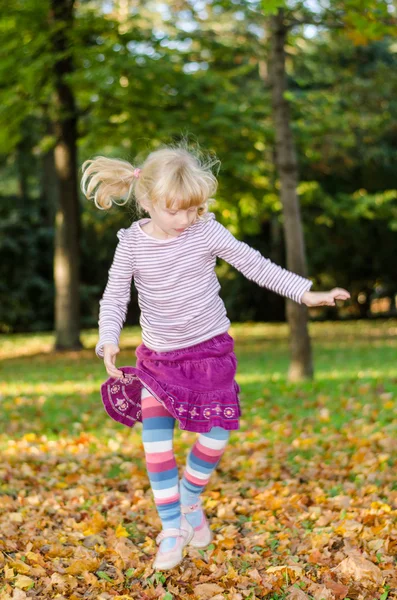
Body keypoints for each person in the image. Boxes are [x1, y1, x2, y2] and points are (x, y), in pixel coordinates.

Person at [81, 142, 350, 571]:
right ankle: (171, 528)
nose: (187, 219)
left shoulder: (205, 230)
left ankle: (190, 498)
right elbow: (114, 296)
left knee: (218, 434)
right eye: (176, 211)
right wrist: (108, 338)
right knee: (155, 444)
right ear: (148, 201)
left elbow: (254, 264)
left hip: (209, 352)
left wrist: (306, 293)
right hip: (157, 361)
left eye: (193, 210)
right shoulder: (131, 244)